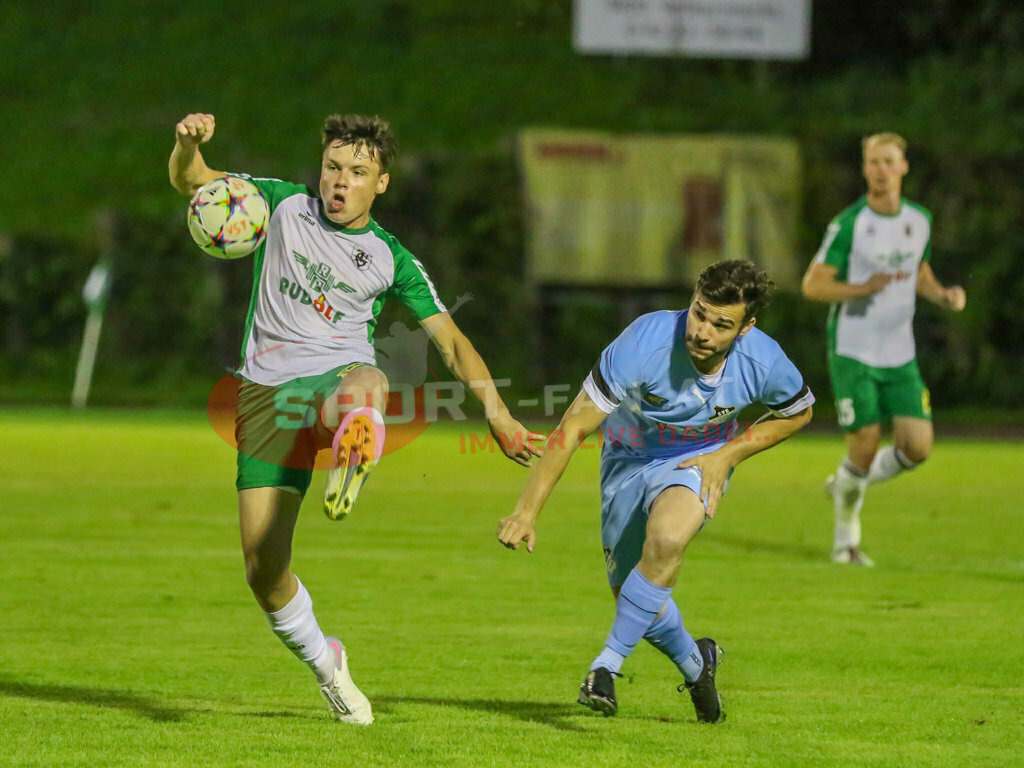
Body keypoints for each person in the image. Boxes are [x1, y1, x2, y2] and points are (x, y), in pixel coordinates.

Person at [169, 112, 541, 725]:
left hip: (335, 380)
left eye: (358, 172)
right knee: (264, 571)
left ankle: (356, 439)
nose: (340, 182)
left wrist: (498, 416)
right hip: (264, 398)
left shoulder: (391, 258)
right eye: (333, 168)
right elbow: (194, 183)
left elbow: (451, 342)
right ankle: (328, 664)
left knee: (366, 380)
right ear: (320, 169)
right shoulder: (282, 206)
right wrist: (185, 146)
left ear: (382, 184)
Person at [498, 260, 814, 722]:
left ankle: (605, 666)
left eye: (721, 324)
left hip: (696, 464)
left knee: (667, 539)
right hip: (625, 465)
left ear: (746, 328)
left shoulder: (763, 360)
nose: (703, 331)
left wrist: (726, 457)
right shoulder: (644, 341)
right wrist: (526, 511)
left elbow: (799, 411)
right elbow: (571, 428)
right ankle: (696, 664)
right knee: (632, 593)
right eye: (699, 313)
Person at [802, 132, 966, 567]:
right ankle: (846, 543)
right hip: (853, 348)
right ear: (865, 169)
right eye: (873, 162)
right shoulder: (850, 223)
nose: (881, 169)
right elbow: (813, 284)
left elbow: (919, 271)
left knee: (918, 447)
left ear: (903, 167)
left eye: (889, 161)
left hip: (900, 352)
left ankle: (845, 482)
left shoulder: (920, 220)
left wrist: (942, 294)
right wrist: (860, 288)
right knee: (865, 444)